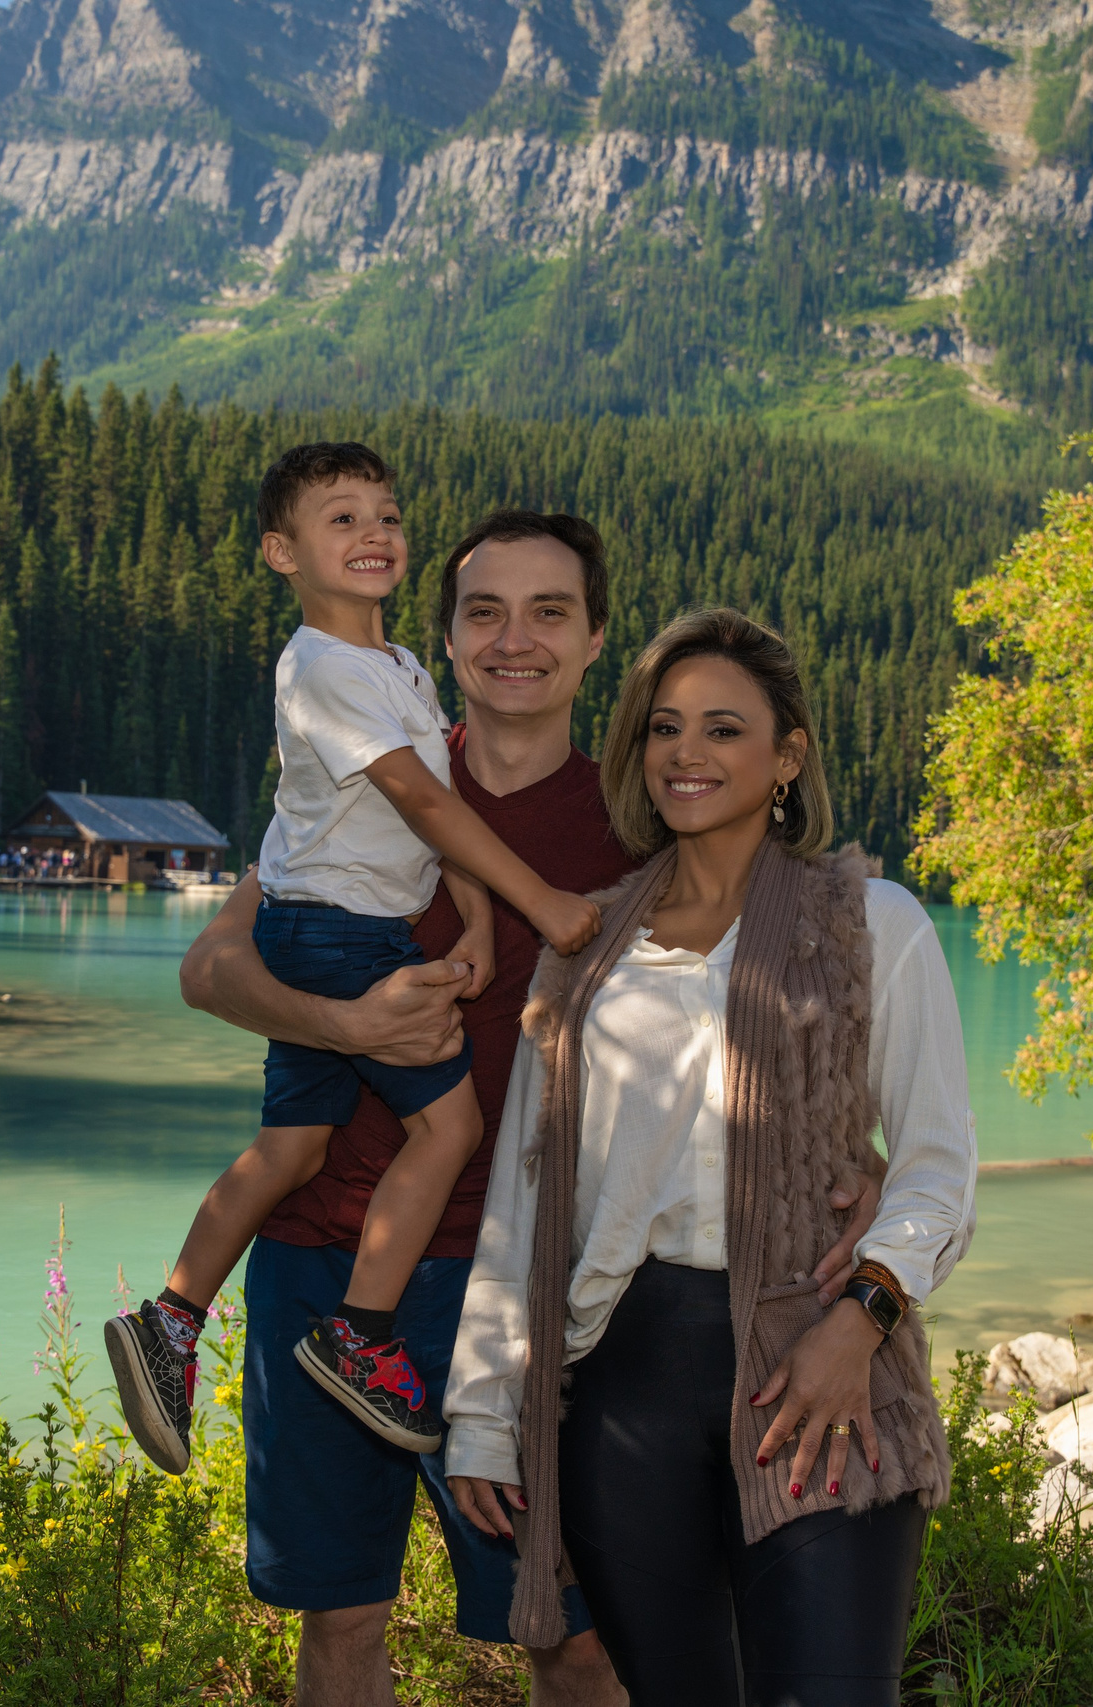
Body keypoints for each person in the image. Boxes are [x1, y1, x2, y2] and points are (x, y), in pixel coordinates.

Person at [180, 515, 893, 1706]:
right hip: (322, 1262)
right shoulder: (371, 768)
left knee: (569, 1634)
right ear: (446, 638)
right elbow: (212, 969)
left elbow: (785, 987)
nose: (515, 640)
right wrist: (351, 1027)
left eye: (548, 611)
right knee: (342, 1623)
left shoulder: (639, 823)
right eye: (483, 612)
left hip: (537, 1289)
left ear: (595, 636)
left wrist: (857, 1154)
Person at [443, 608, 979, 1706]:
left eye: (724, 729)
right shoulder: (588, 949)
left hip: (814, 1361)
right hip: (626, 1381)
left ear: (786, 756)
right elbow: (526, 1198)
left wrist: (861, 1316)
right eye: (665, 728)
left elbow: (936, 1166)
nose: (687, 754)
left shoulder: (870, 922)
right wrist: (484, 1416)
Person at [107, 447, 604, 1473]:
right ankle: (357, 1332)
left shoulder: (399, 680)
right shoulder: (326, 672)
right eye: (342, 520)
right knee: (449, 1125)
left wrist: (469, 922)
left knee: (287, 1145)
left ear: (596, 638)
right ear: (281, 553)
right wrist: (529, 909)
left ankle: (171, 1317)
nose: (374, 530)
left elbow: (432, 815)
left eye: (386, 513)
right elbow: (422, 808)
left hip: (517, 1266)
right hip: (335, 946)